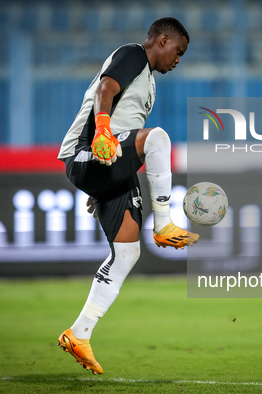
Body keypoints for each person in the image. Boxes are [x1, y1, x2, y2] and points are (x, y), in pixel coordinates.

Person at [56, 17, 198, 375]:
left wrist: (102, 185)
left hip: (108, 165)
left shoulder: (149, 83)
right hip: (88, 151)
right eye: (177, 51)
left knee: (127, 252)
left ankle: (80, 333)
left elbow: (126, 140)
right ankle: (164, 224)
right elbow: (106, 87)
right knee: (158, 138)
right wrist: (102, 127)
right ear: (162, 40)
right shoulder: (134, 55)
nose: (177, 60)